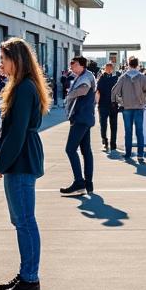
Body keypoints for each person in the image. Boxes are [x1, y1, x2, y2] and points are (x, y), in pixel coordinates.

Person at [0, 37, 48, 290]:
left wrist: (0, 163)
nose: (1, 63)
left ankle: (29, 279)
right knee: (21, 220)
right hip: (21, 158)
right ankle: (26, 273)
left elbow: (17, 132)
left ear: (17, 59)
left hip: (21, 159)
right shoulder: (21, 85)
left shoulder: (25, 88)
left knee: (25, 221)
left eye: (4, 58)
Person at [61, 56, 96, 196]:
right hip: (85, 118)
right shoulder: (82, 76)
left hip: (81, 118)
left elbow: (84, 90)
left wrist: (69, 95)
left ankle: (79, 182)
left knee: (70, 149)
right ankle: (88, 183)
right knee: (86, 150)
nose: (71, 66)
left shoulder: (86, 77)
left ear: (82, 65)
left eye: (73, 64)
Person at [114, 57, 146, 160]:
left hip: (127, 107)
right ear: (138, 65)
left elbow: (114, 91)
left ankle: (128, 154)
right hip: (139, 107)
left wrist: (120, 101)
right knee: (139, 131)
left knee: (128, 131)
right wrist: (144, 97)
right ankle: (140, 154)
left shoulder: (123, 77)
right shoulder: (142, 77)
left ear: (128, 64)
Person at [96, 62, 119, 151]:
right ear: (105, 69)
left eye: (110, 68)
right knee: (103, 125)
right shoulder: (101, 78)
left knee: (113, 125)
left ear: (112, 69)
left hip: (112, 105)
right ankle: (105, 141)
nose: (109, 70)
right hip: (103, 105)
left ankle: (112, 143)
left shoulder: (116, 78)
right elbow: (97, 91)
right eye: (107, 68)